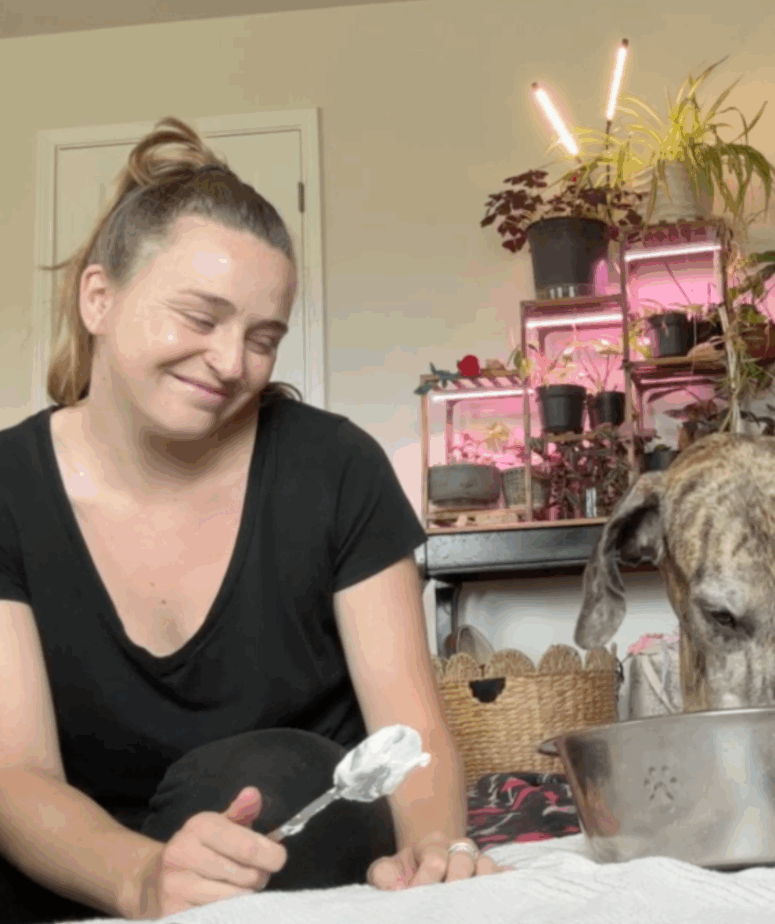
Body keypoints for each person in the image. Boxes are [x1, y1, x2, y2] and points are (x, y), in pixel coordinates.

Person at [0, 118, 500, 923]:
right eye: (200, 319)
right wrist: (143, 879)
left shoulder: (336, 467)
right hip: (90, 854)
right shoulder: (7, 487)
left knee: (267, 781)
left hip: (285, 826)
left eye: (262, 339)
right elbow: (16, 772)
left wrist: (435, 850)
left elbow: (410, 731)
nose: (232, 363)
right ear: (99, 297)